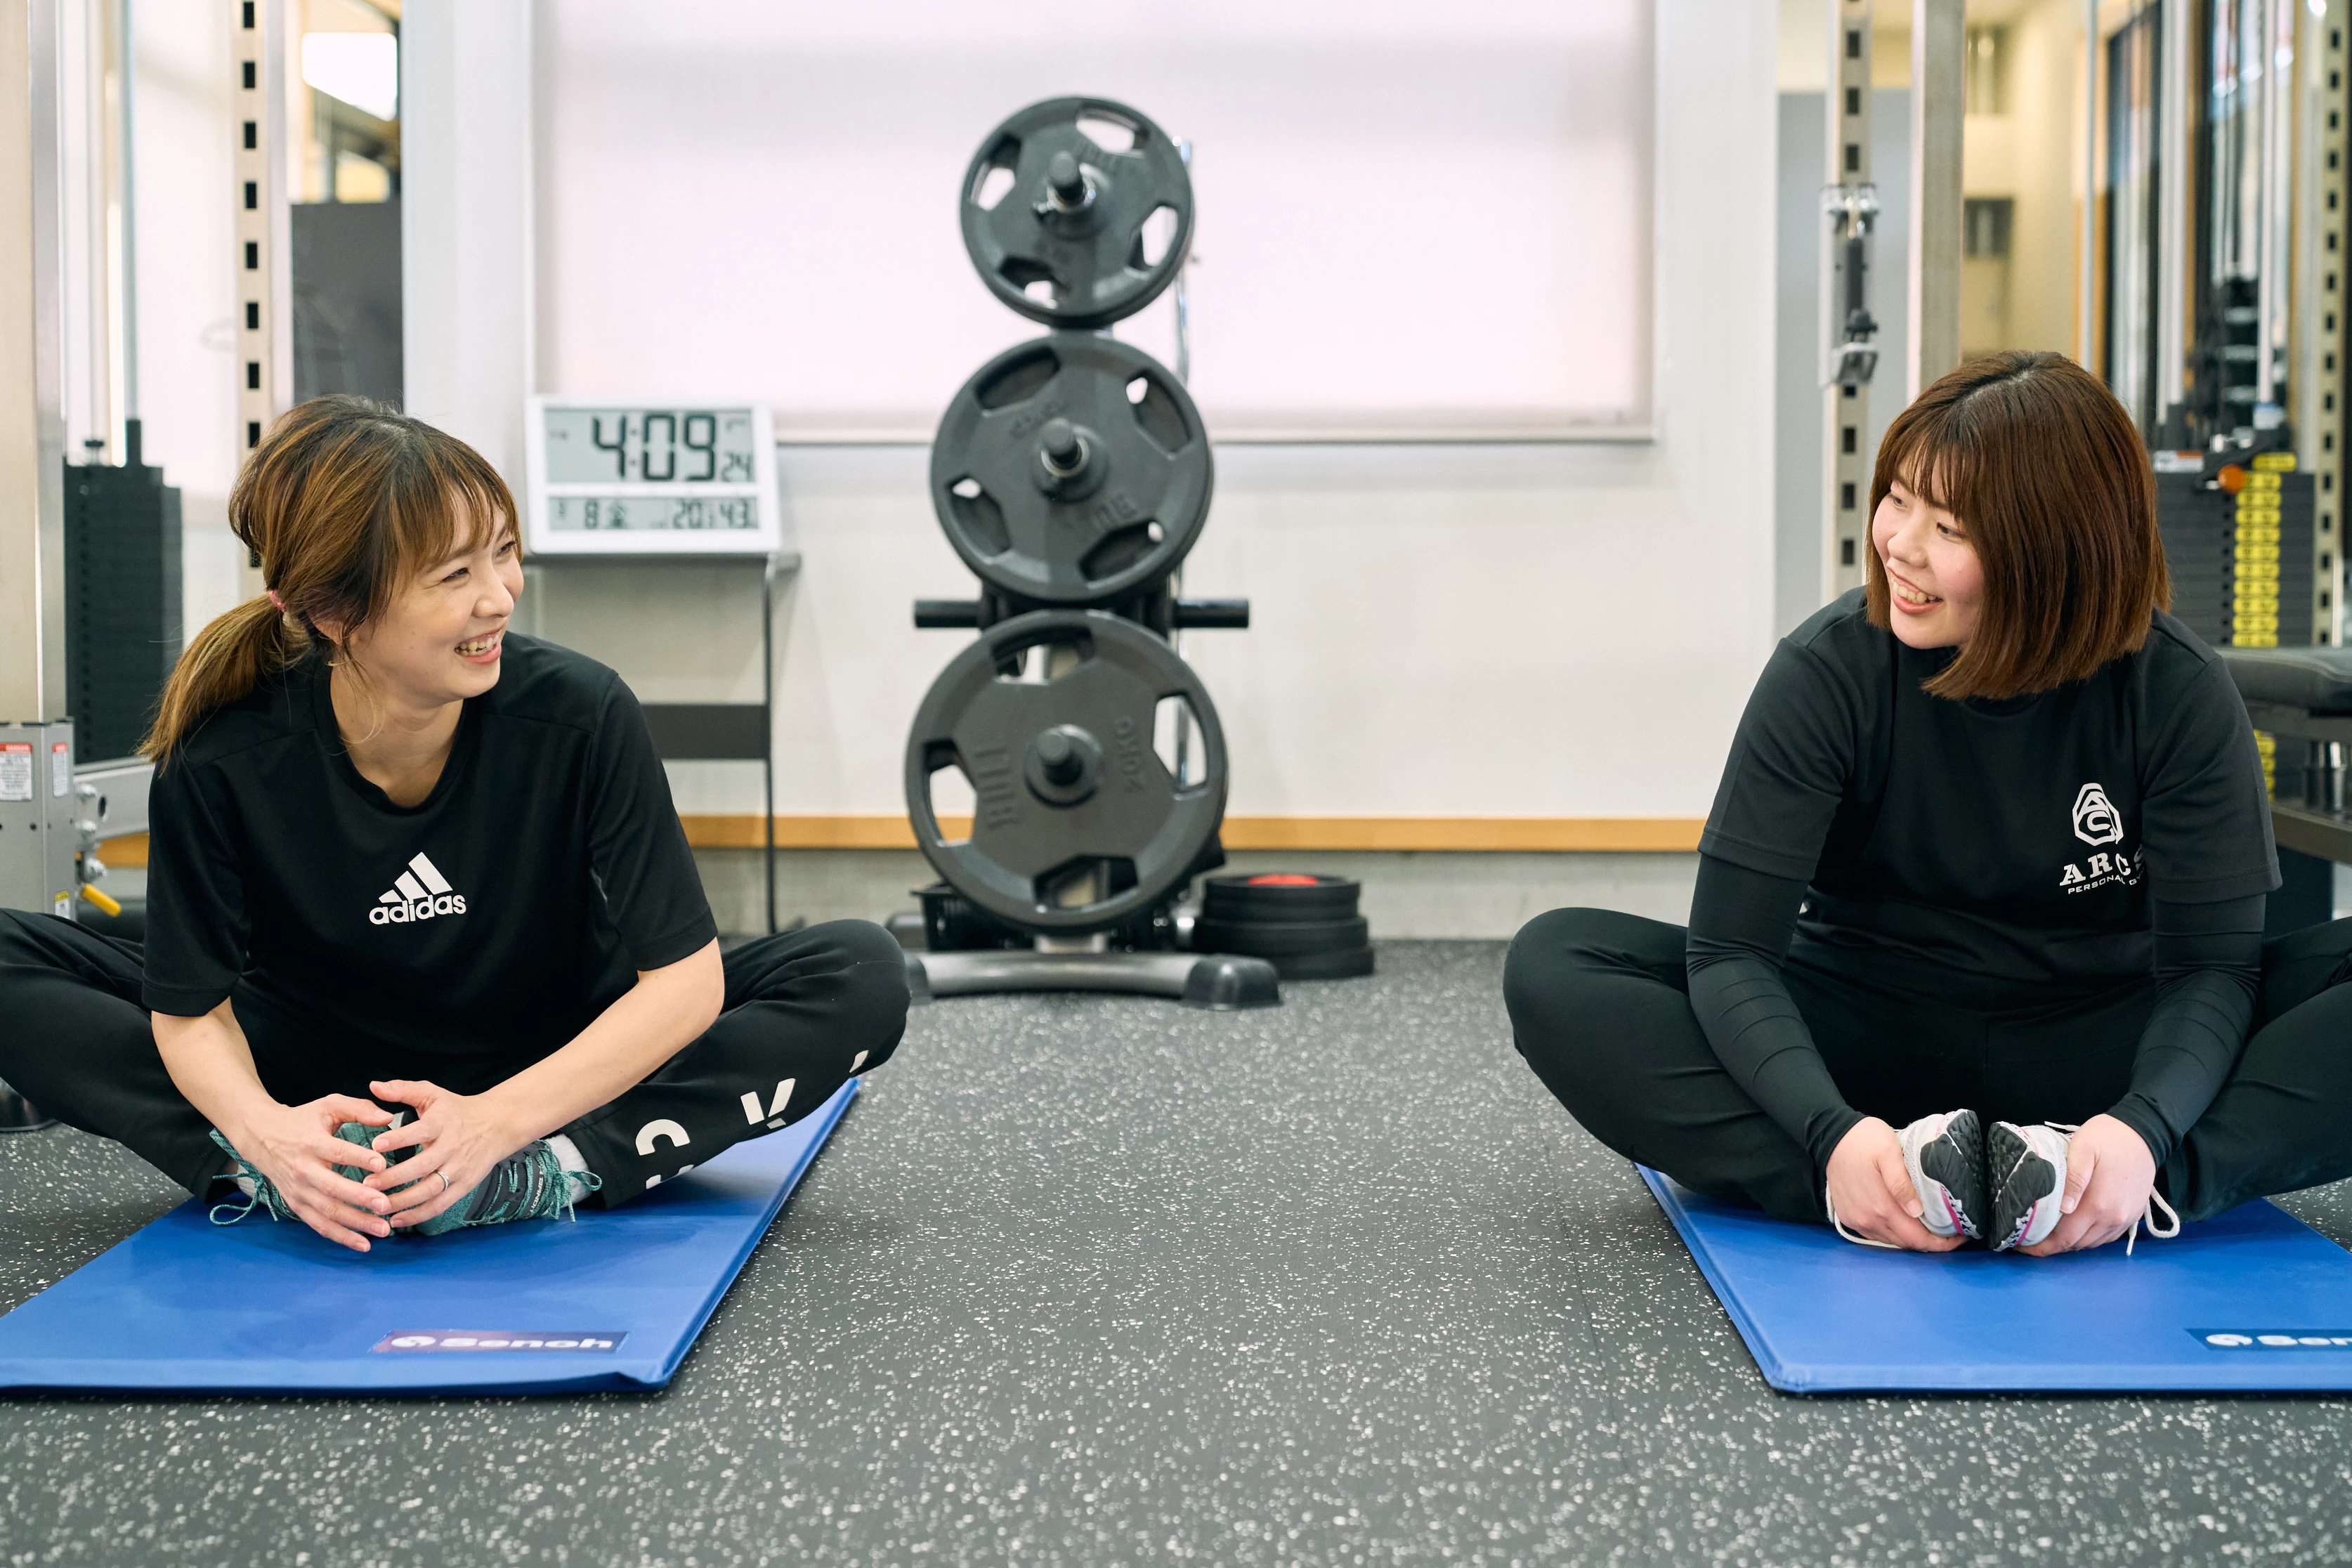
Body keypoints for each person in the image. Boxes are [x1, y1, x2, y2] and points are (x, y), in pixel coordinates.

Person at [0, 397, 909, 1253]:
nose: (500, 597)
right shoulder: (224, 752)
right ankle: (292, 1170)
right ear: (329, 611)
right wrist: (263, 1127)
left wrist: (499, 1124)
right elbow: (191, 1013)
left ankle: (546, 1172)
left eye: (503, 553)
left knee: (862, 972)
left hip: (549, 1059)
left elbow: (684, 982)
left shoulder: (578, 712)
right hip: (309, 1071)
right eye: (454, 575)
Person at [1504, 351, 2352, 1256]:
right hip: (1861, 1035)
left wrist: (2144, 1133)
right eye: (1898, 498)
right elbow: (1731, 952)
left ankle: (2117, 1194)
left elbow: (2207, 973)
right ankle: (1880, 1190)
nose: (1897, 544)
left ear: (2052, 551)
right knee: (1556, 963)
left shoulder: (2178, 690)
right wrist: (1830, 1135)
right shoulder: (1827, 670)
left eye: (1947, 525)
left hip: (2102, 1040)